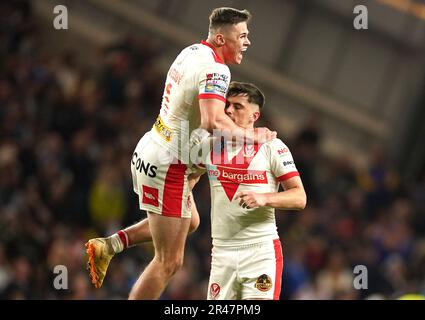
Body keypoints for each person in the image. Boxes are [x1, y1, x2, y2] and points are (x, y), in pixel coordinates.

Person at [85, 7, 276, 300]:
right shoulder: (217, 69)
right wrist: (252, 135)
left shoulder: (191, 51)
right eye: (242, 36)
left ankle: (111, 245)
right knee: (169, 263)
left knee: (192, 221)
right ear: (223, 39)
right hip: (169, 166)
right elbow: (212, 119)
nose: (248, 42)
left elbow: (196, 119)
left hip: (154, 145)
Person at [200, 81, 306, 299]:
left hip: (260, 251)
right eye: (227, 105)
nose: (229, 110)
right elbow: (185, 177)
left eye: (238, 106)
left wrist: (264, 197)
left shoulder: (273, 147)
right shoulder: (210, 145)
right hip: (222, 252)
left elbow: (299, 197)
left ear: (254, 116)